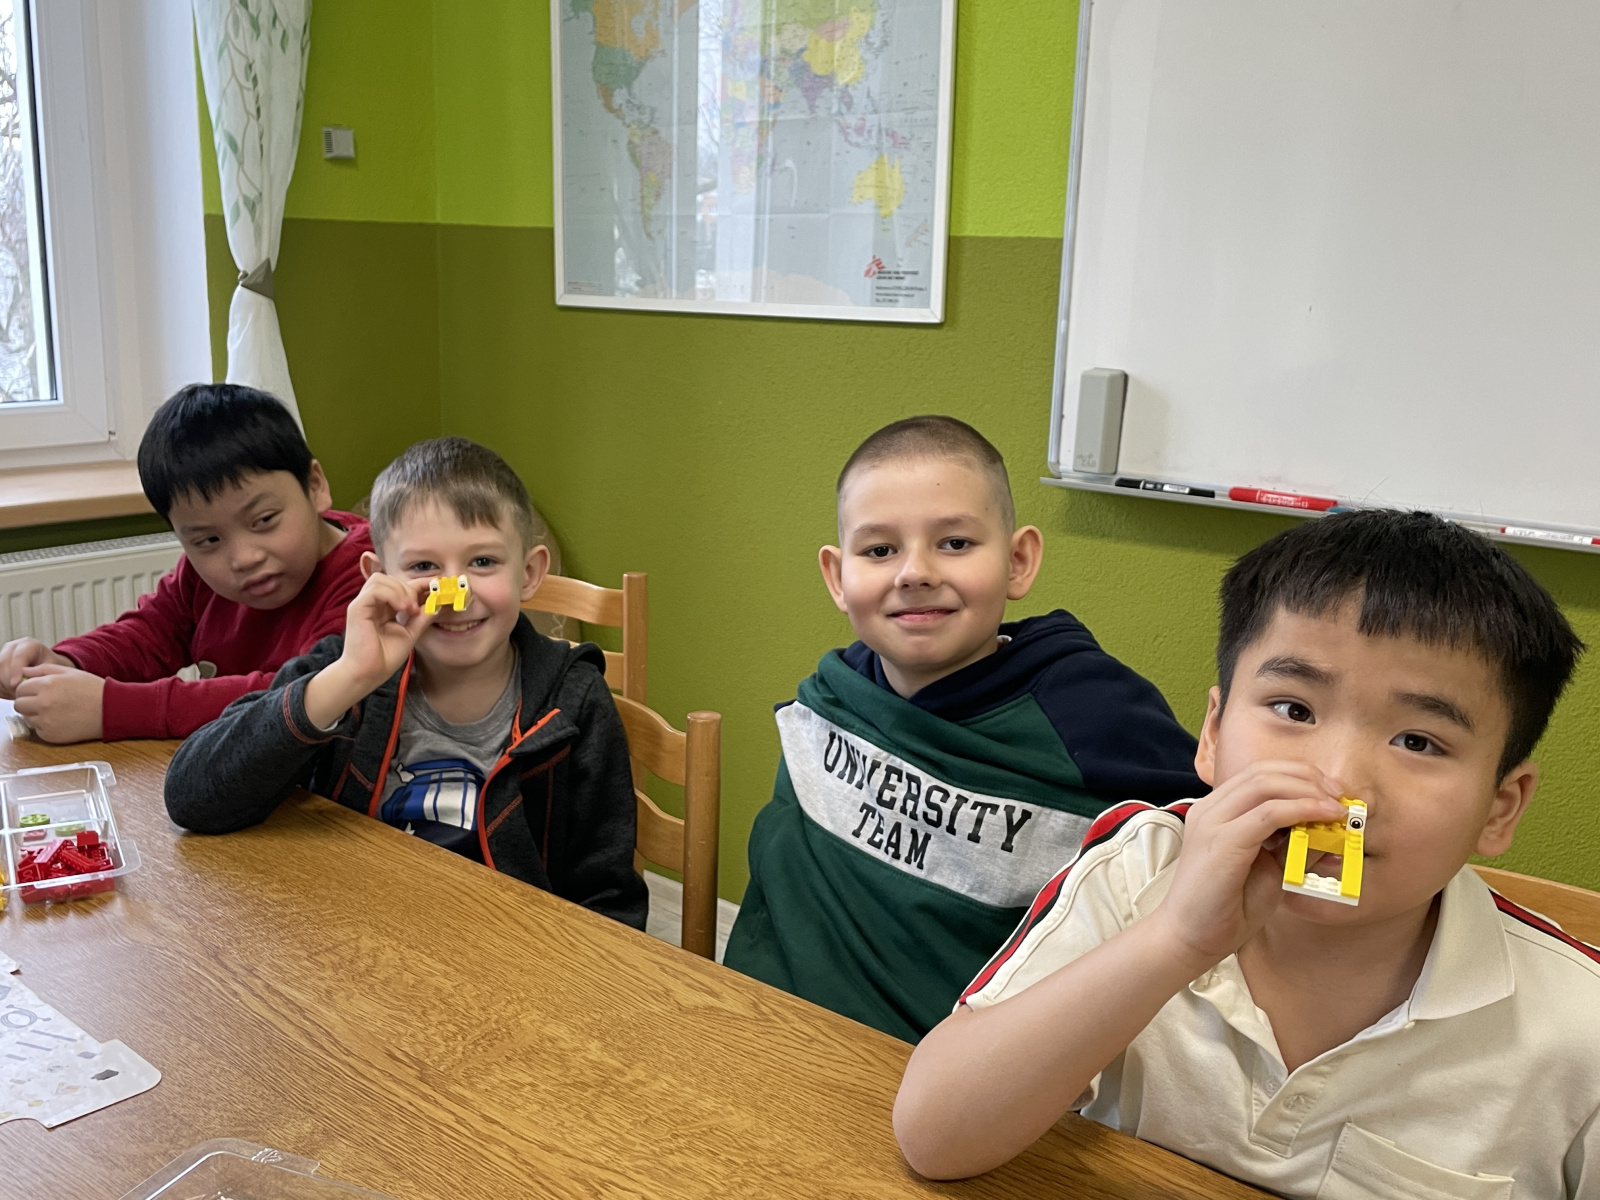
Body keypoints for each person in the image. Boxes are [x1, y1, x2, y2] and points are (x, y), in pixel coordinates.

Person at [895, 510, 1598, 1197]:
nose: (1339, 782)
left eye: (1419, 741)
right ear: (1211, 735)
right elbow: (936, 1136)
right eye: (1294, 710)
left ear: (1500, 807)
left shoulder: (1579, 1029)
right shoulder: (1139, 869)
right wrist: (1175, 940)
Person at [722, 416, 1206, 1041]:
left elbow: (1206, 849)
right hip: (759, 1022)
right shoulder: (828, 701)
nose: (914, 572)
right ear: (837, 578)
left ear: (1018, 561)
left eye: (954, 543)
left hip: (954, 1069)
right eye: (879, 550)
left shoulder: (1095, 716)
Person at [163, 437, 646, 928]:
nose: (455, 595)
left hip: (509, 948)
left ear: (528, 573)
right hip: (358, 935)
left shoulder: (573, 700)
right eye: (423, 567)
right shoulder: (345, 670)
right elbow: (191, 797)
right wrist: (348, 678)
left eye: (482, 562)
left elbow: (609, 898)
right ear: (377, 577)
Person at [0, 384, 371, 743]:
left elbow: (302, 695)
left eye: (264, 520)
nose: (244, 558)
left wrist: (110, 709)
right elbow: (150, 633)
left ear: (315, 486)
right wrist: (66, 662)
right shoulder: (201, 578)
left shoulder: (369, 574)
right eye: (208, 540)